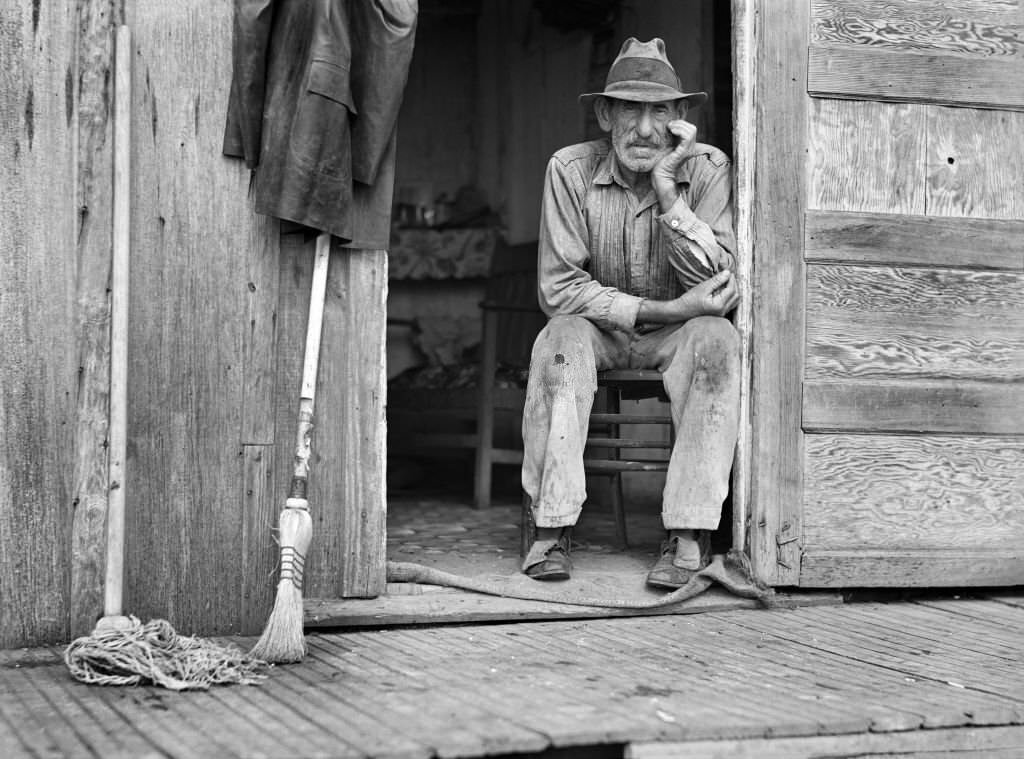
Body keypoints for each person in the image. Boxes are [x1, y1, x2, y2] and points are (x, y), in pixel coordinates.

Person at [521, 37, 740, 589]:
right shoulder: (568, 170)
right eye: (630, 110)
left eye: (659, 112)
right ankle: (550, 525)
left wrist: (669, 191)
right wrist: (662, 306)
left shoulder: (708, 169)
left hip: (678, 336)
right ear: (604, 113)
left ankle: (688, 531)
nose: (645, 130)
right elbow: (558, 288)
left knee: (716, 338)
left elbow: (713, 283)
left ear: (680, 119)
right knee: (559, 336)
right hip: (600, 332)